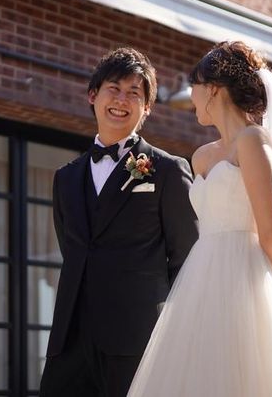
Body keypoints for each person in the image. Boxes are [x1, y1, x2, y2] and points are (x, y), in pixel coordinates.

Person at [127, 41, 272, 396]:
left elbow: (270, 232)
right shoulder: (201, 156)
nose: (191, 96)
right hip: (201, 279)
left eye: (194, 86)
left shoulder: (253, 141)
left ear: (212, 89)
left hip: (247, 277)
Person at [39, 47, 199, 397]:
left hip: (137, 337)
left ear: (147, 108)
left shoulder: (168, 170)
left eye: (134, 93)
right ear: (93, 96)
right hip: (70, 338)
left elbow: (187, 258)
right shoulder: (65, 178)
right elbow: (73, 250)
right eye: (114, 88)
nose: (122, 100)